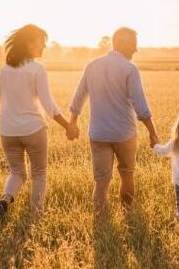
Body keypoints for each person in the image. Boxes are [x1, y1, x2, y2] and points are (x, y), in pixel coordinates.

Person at [67, 27, 159, 217]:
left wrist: (73, 122)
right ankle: (127, 214)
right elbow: (140, 105)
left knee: (101, 182)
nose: (136, 50)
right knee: (127, 174)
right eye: (134, 45)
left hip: (99, 134)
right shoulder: (129, 69)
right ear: (123, 43)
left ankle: (101, 222)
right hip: (124, 134)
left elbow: (78, 97)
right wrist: (152, 132)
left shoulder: (92, 65)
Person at [0, 24, 70, 223]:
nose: (44, 47)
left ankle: (6, 199)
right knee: (39, 173)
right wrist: (67, 125)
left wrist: (11, 114)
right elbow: (48, 104)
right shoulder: (37, 69)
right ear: (28, 43)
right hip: (33, 129)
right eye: (41, 42)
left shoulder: (5, 68)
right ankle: (36, 217)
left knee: (17, 172)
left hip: (7, 131)